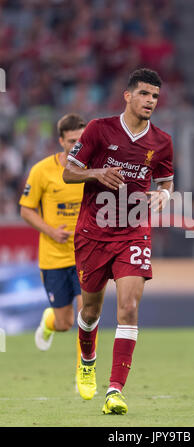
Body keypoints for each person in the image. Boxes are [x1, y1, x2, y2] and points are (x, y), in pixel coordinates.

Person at [63, 68, 174, 415]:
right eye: (144, 94)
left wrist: (164, 197)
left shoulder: (162, 141)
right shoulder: (98, 129)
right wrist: (95, 172)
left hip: (133, 231)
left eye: (154, 96)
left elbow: (166, 182)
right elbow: (69, 172)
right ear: (127, 95)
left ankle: (114, 391)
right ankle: (86, 359)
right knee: (90, 310)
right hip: (93, 233)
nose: (150, 101)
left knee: (128, 308)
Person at [19, 113, 86, 374]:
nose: (77, 146)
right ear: (61, 141)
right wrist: (50, 230)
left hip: (85, 255)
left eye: (81, 140)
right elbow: (26, 209)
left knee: (87, 315)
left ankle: (85, 368)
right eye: (72, 141)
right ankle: (49, 322)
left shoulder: (93, 169)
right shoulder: (42, 170)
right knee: (64, 322)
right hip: (54, 257)